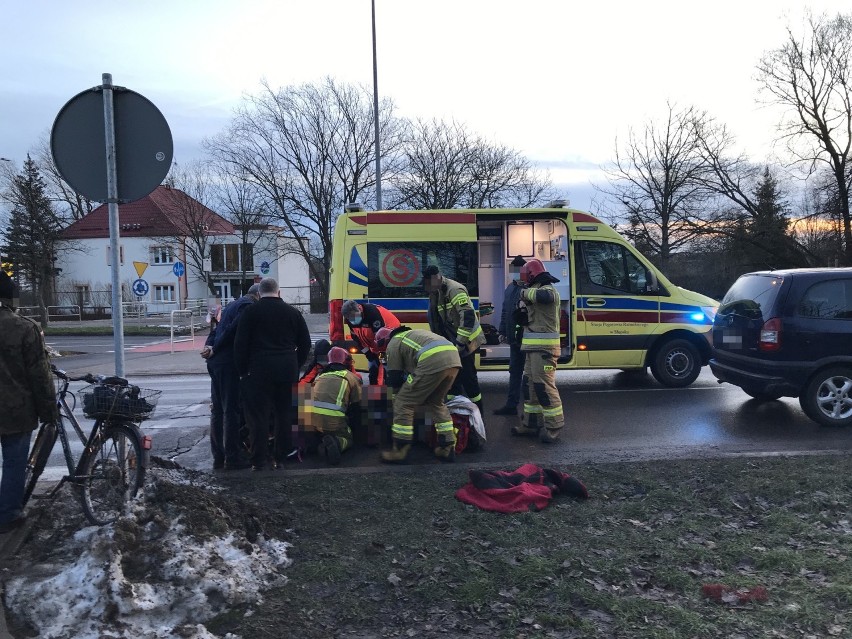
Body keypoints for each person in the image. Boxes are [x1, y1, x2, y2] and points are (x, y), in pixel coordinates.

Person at [0, 271, 57, 533]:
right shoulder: (24, 328)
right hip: (14, 411)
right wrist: (49, 413)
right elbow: (39, 375)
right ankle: (8, 515)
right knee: (14, 462)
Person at [234, 277, 311, 470]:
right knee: (284, 415)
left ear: (259, 293)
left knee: (258, 417)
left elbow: (240, 345)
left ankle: (259, 460)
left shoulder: (251, 312)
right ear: (279, 292)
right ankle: (281, 458)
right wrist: (295, 363)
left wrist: (243, 371)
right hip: (287, 369)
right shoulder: (293, 313)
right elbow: (306, 344)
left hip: (258, 370)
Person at [375, 325, 462, 463]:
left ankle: (400, 450)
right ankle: (448, 447)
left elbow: (394, 377)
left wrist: (394, 399)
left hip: (432, 359)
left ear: (384, 340)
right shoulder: (412, 335)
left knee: (403, 403)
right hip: (453, 358)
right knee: (436, 402)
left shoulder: (394, 342)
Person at [201, 283, 260, 471]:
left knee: (217, 410)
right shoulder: (248, 307)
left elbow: (216, 330)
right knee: (231, 410)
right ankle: (232, 457)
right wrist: (216, 347)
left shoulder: (232, 305)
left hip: (216, 362)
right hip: (228, 362)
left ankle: (218, 456)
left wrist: (209, 346)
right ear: (257, 296)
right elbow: (232, 330)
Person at [511, 258, 564, 443]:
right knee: (530, 386)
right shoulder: (534, 292)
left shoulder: (549, 290)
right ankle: (531, 425)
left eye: (526, 279)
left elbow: (543, 297)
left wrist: (523, 293)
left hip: (545, 350)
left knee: (544, 387)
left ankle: (554, 427)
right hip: (532, 349)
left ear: (532, 276)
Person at [423, 264, 486, 412]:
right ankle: (455, 414)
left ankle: (478, 415)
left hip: (466, 342)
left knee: (469, 379)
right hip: (452, 341)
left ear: (436, 278)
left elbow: (468, 317)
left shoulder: (454, 289)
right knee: (451, 380)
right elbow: (438, 319)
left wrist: (460, 344)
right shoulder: (436, 291)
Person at [309, 346, 362, 465]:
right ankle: (337, 442)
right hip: (335, 423)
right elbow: (356, 406)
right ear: (347, 361)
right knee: (348, 438)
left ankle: (318, 440)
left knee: (321, 428)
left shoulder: (320, 377)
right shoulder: (351, 377)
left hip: (313, 421)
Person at [494, 255, 527, 416]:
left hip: (526, 339)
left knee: (528, 375)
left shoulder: (529, 289)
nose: (513, 273)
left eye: (516, 270)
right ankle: (511, 405)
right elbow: (505, 312)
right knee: (514, 372)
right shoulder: (510, 288)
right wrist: (502, 331)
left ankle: (529, 409)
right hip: (515, 340)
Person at [341, 300, 400, 385]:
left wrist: (380, 357)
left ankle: (387, 395)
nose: (353, 320)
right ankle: (374, 395)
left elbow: (381, 339)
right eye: (350, 318)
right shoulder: (350, 320)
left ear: (359, 309)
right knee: (373, 370)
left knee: (385, 371)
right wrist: (368, 354)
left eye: (354, 316)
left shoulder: (372, 314)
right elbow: (357, 339)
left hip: (389, 342)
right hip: (374, 344)